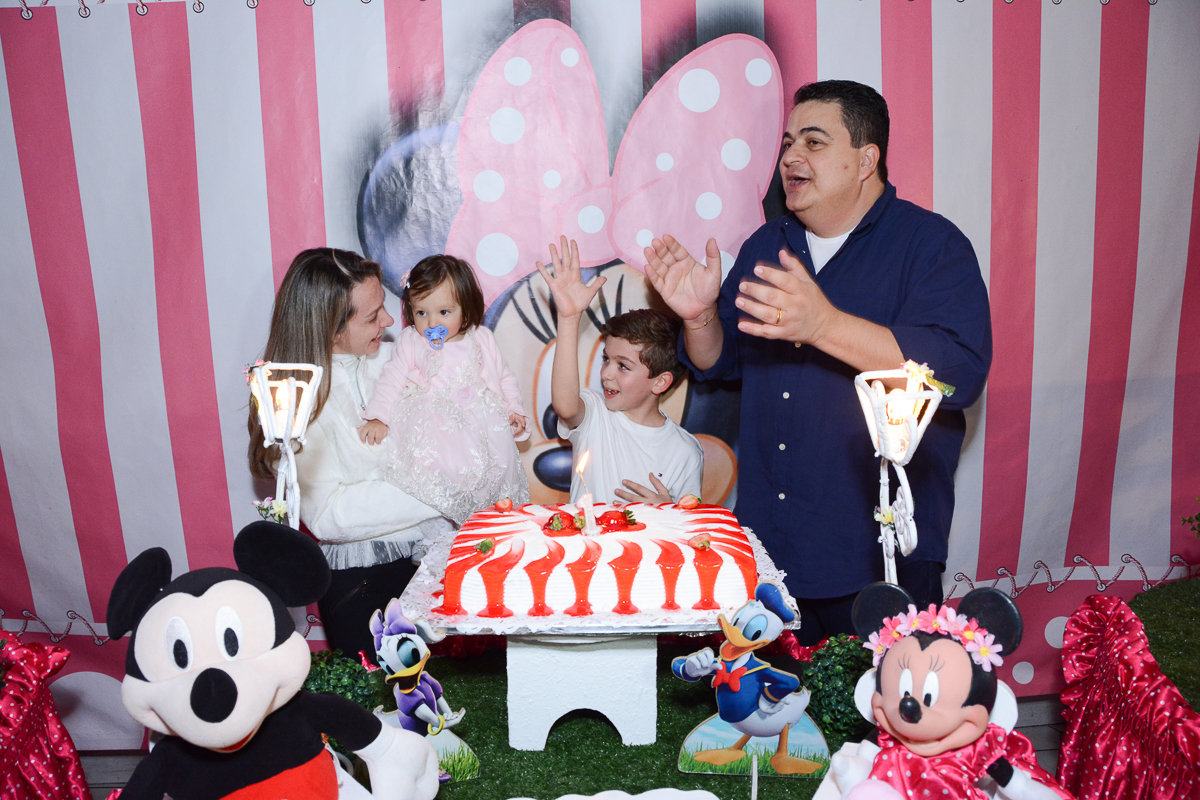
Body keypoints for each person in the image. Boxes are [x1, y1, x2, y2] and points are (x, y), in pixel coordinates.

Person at [645, 80, 991, 644]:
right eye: (786, 144)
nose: (791, 158)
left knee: (879, 719)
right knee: (775, 723)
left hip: (876, 556)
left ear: (865, 159)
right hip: (770, 553)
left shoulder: (932, 245)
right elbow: (721, 363)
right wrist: (698, 316)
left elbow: (959, 372)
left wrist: (825, 325)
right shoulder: (767, 245)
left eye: (813, 141)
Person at [248, 248, 453, 661]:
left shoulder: (395, 361)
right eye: (372, 315)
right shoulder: (294, 399)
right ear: (330, 329)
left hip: (430, 567)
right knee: (385, 715)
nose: (390, 322)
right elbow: (328, 515)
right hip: (363, 588)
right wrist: (439, 488)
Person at [360, 254, 530, 524]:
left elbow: (505, 377)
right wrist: (378, 415)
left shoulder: (481, 339)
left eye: (444, 312)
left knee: (489, 482)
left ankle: (486, 528)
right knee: (431, 487)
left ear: (466, 309)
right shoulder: (411, 341)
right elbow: (391, 378)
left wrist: (514, 410)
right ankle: (434, 532)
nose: (432, 323)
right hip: (434, 429)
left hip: (481, 428)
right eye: (421, 313)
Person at [536, 236, 704, 504]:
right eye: (606, 359)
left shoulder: (685, 451)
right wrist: (569, 320)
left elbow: (690, 526)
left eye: (623, 366)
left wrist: (668, 510)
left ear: (660, 383)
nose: (606, 374)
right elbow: (566, 407)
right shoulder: (596, 412)